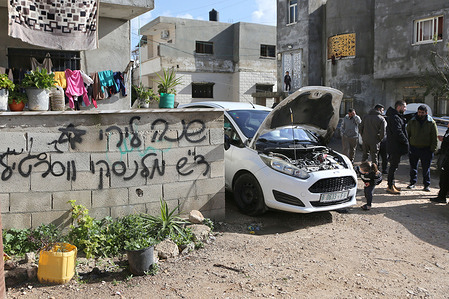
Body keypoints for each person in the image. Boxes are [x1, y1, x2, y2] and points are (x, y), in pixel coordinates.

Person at [405, 105, 438, 192]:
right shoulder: (412, 121)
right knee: (413, 167)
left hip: (426, 149)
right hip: (414, 148)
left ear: (426, 113)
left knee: (426, 168)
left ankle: (426, 185)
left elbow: (434, 137)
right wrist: (408, 146)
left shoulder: (431, 122)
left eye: (422, 113)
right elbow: (407, 134)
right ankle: (412, 183)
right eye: (419, 112)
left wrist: (432, 149)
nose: (420, 114)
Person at [385, 100, 408, 194]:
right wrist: (405, 141)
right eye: (404, 107)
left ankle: (392, 184)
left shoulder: (396, 117)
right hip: (395, 147)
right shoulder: (395, 117)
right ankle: (390, 186)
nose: (405, 109)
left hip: (395, 146)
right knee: (393, 167)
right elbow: (397, 132)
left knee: (394, 166)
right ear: (399, 107)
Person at [431, 122, 449, 203]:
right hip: (445, 155)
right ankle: (442, 195)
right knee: (444, 177)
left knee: (445, 177)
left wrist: (444, 139)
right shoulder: (448, 131)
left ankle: (442, 196)